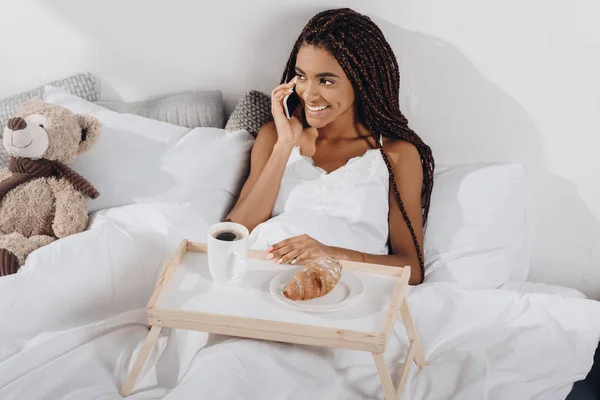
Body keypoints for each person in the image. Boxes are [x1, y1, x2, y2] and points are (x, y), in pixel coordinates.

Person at [225, 8, 434, 285]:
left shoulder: (396, 155)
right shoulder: (275, 137)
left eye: (325, 80)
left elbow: (411, 269)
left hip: (344, 295)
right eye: (301, 76)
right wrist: (285, 144)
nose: (309, 93)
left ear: (361, 82)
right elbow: (232, 233)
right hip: (259, 282)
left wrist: (331, 255)